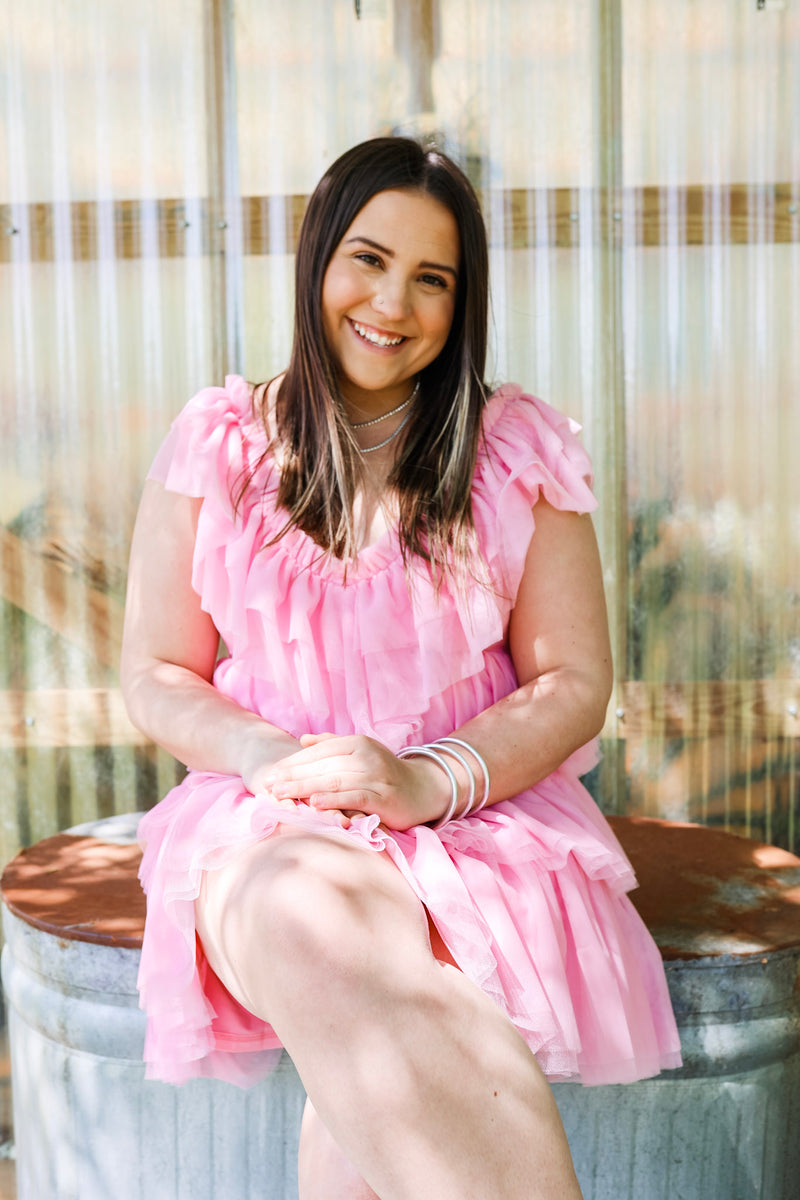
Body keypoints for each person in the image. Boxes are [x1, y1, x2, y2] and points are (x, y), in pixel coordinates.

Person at [121, 136, 681, 1200]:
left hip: (479, 820)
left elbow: (572, 680)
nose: (393, 302)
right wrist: (266, 755)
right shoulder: (225, 440)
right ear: (316, 258)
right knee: (303, 911)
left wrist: (427, 777)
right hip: (268, 813)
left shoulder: (511, 444)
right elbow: (156, 668)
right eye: (367, 260)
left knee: (366, 1077)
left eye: (432, 278)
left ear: (461, 300)